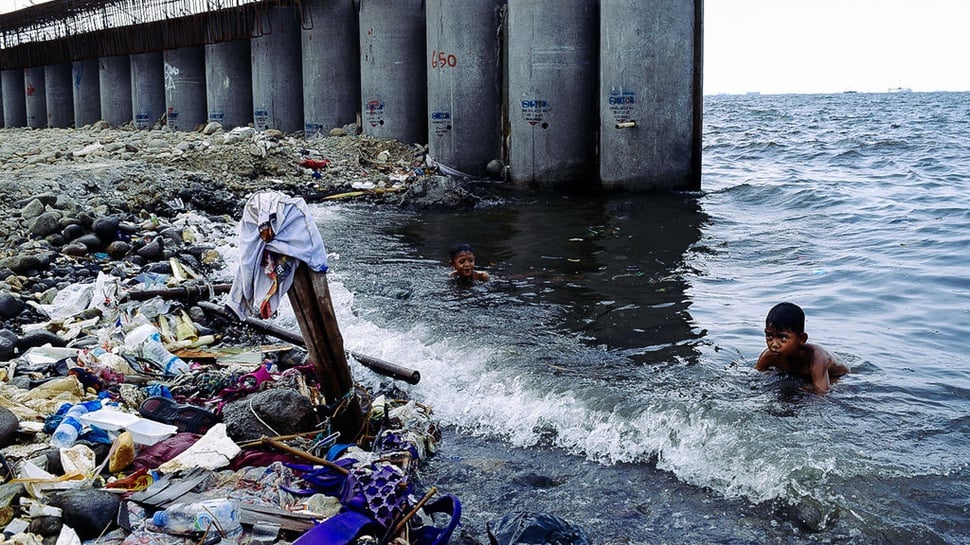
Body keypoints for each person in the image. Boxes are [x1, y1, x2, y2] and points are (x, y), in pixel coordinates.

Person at [755, 302, 848, 394]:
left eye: (783, 337)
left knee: (808, 391)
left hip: (837, 376)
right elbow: (754, 377)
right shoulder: (768, 356)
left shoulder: (816, 358)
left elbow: (822, 393)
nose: (774, 344)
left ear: (802, 338)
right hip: (800, 374)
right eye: (769, 336)